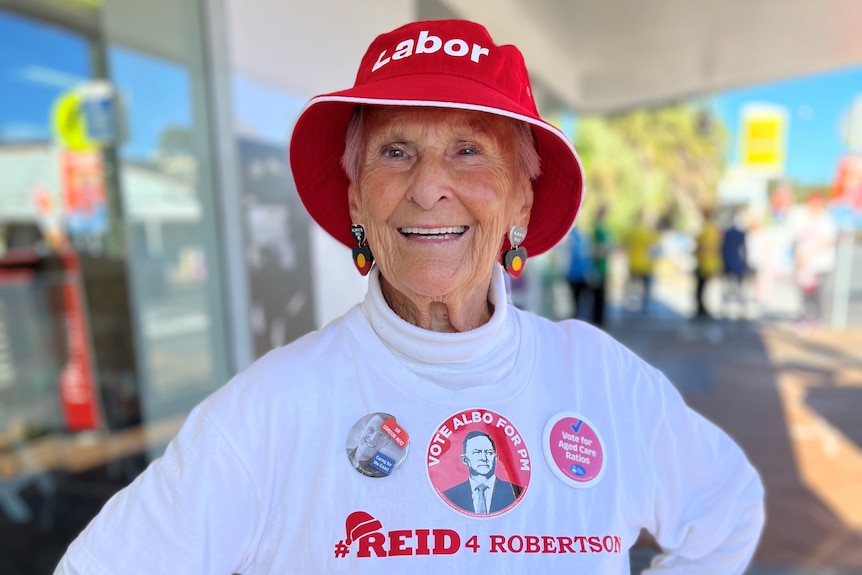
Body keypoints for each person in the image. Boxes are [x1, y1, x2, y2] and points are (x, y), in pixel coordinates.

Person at [55, 19, 764, 573]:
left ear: (521, 201)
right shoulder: (271, 408)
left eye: (468, 149)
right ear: (357, 198)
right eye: (396, 151)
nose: (428, 186)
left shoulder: (605, 382)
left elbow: (728, 508)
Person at [443, 431, 523, 515]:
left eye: (489, 452)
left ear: (495, 458)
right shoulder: (450, 497)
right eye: (477, 452)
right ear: (465, 460)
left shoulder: (517, 493)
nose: (484, 458)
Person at [792, 193, 838, 325]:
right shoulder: (802, 219)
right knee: (804, 294)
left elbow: (828, 241)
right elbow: (796, 240)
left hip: (822, 265)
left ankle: (819, 319)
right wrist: (798, 258)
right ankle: (805, 317)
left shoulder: (827, 220)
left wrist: (809, 255)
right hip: (803, 265)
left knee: (821, 294)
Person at [623, 209, 660, 315]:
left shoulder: (632, 231)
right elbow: (654, 250)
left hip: (634, 263)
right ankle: (643, 307)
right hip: (645, 265)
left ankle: (629, 306)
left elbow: (625, 245)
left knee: (633, 287)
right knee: (645, 288)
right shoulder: (650, 233)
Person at [693, 207, 723, 319]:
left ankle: (701, 308)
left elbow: (702, 246)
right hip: (707, 263)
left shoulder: (707, 230)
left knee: (701, 288)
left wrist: (697, 250)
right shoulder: (713, 229)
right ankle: (701, 308)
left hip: (705, 264)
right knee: (702, 288)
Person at [347, 412, 394, 478]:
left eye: (381, 436)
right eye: (370, 430)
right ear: (363, 429)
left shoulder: (385, 470)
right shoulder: (342, 454)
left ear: (387, 442)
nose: (372, 439)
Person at [721, 209, 749, 318]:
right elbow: (744, 249)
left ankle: (728, 309)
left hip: (730, 262)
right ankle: (735, 309)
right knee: (738, 288)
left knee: (731, 288)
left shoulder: (728, 233)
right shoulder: (738, 234)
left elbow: (723, 249)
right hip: (736, 262)